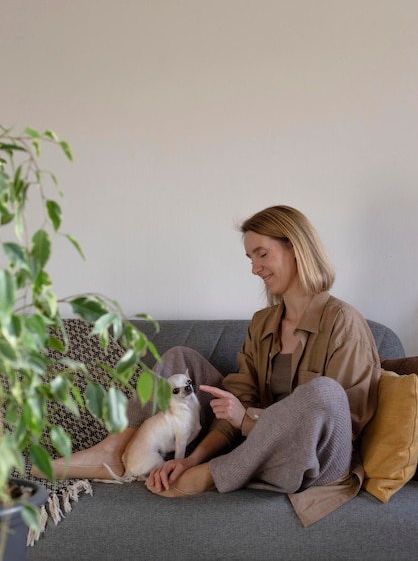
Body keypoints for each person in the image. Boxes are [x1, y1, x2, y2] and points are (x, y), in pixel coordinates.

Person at [39, 205, 381, 526]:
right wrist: (189, 458)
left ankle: (214, 475)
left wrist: (247, 420)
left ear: (296, 248)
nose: (254, 268)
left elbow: (342, 421)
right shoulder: (264, 323)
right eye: (250, 258)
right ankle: (116, 448)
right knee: (179, 359)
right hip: (254, 446)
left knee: (324, 392)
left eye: (262, 254)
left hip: (312, 460)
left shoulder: (343, 321)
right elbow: (234, 406)